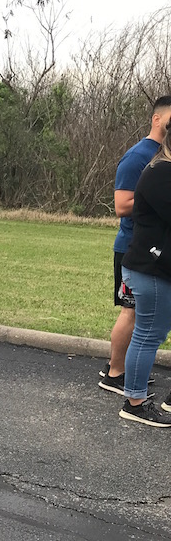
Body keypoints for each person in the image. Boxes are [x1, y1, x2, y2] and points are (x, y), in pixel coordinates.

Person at [100, 96, 171, 395]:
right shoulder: (139, 157)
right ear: (157, 120)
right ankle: (116, 373)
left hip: (157, 251)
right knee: (132, 315)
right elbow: (121, 204)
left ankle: (129, 372)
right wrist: (152, 201)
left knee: (144, 320)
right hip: (136, 247)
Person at [117, 121, 171, 427]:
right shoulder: (161, 172)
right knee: (148, 334)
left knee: (152, 332)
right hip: (151, 268)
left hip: (155, 266)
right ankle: (134, 402)